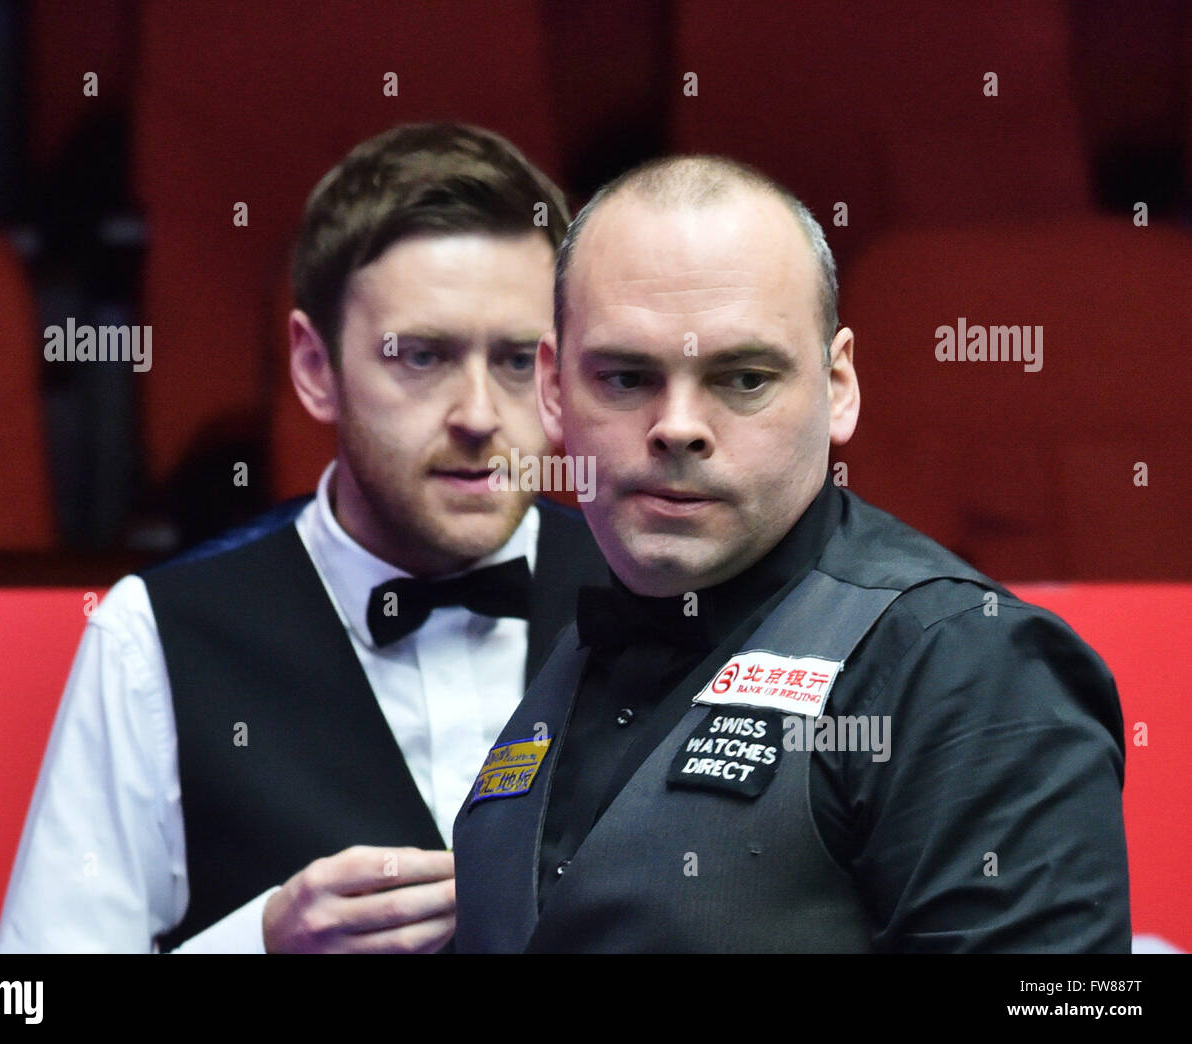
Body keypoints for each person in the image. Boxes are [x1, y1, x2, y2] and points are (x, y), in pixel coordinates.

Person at [453, 155, 1131, 953]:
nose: (678, 426)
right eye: (627, 377)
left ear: (838, 386)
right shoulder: (575, 636)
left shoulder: (965, 666)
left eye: (742, 378)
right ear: (553, 389)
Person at [0, 123, 606, 953]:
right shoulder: (156, 639)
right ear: (316, 368)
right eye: (420, 357)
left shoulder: (659, 602)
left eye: (514, 362)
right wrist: (259, 946)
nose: (476, 415)